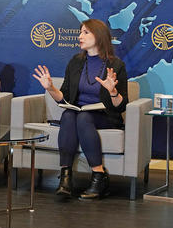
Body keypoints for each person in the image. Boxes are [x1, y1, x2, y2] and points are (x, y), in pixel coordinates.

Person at [33, 19, 129, 200]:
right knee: (69, 115)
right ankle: (66, 178)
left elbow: (121, 106)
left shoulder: (116, 65)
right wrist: (50, 88)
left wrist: (113, 91)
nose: (80, 36)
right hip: (78, 113)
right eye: (80, 32)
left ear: (99, 36)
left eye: (86, 32)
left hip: (105, 115)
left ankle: (99, 176)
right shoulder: (76, 62)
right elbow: (65, 98)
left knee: (83, 117)